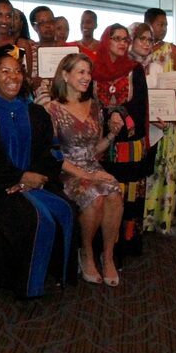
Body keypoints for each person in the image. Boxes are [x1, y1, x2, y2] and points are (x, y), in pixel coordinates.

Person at [0, 44, 74, 298]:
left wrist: (36, 177)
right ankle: (17, 282)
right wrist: (18, 178)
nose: (13, 77)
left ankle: (51, 275)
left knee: (66, 208)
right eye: (5, 71)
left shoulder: (35, 111)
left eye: (18, 71)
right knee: (29, 217)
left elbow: (51, 153)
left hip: (35, 184)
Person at [46, 53, 123, 286]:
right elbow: (54, 155)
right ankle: (86, 253)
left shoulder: (95, 105)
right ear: (65, 75)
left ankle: (107, 257)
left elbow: (95, 148)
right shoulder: (52, 109)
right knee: (95, 197)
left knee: (113, 192)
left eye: (88, 72)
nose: (87, 77)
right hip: (66, 170)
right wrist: (88, 175)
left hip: (92, 165)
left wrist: (112, 134)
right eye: (81, 72)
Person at [91, 24, 148, 256]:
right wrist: (109, 117)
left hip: (130, 146)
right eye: (116, 38)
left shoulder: (135, 69)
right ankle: (104, 245)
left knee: (130, 194)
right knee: (106, 192)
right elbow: (90, 105)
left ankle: (127, 243)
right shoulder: (93, 70)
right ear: (106, 41)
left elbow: (139, 104)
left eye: (126, 39)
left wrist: (119, 114)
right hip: (103, 144)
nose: (122, 43)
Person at [128, 21, 176, 233]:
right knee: (129, 180)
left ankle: (139, 226)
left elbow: (168, 99)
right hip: (129, 133)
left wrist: (162, 113)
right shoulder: (124, 66)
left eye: (149, 39)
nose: (146, 43)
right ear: (131, 39)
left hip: (153, 131)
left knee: (145, 176)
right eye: (141, 38)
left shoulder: (156, 67)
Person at [28, 5, 58, 106]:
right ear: (34, 27)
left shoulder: (66, 50)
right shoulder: (29, 51)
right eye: (42, 23)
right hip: (38, 108)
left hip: (66, 107)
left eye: (51, 21)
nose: (48, 26)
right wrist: (31, 82)